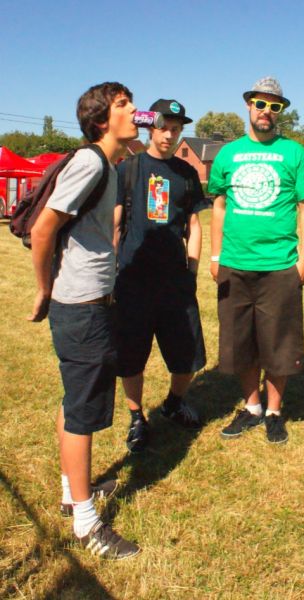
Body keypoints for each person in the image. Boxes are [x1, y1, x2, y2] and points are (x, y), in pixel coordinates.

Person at [29, 83, 141, 558]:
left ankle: (70, 493)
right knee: (83, 412)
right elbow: (43, 228)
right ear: (101, 121)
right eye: (123, 105)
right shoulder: (91, 162)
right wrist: (44, 288)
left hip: (88, 302)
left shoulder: (109, 164)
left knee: (75, 399)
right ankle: (87, 523)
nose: (134, 110)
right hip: (80, 306)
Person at [208, 76, 304, 444]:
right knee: (240, 342)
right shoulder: (228, 154)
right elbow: (219, 206)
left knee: (278, 344)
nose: (266, 111)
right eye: (260, 103)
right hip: (234, 264)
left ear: (280, 111)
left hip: (279, 266)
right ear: (249, 105)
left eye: (275, 106)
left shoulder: (295, 153)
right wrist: (215, 255)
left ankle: (273, 411)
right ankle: (252, 406)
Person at [114, 99, 207, 454]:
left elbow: (194, 225)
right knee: (131, 355)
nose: (169, 135)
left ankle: (173, 403)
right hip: (133, 280)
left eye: (176, 129)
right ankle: (137, 417)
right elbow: (116, 224)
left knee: (187, 354)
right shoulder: (129, 169)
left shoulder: (186, 173)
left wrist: (192, 269)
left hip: (175, 282)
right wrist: (111, 271)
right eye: (163, 127)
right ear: (150, 128)